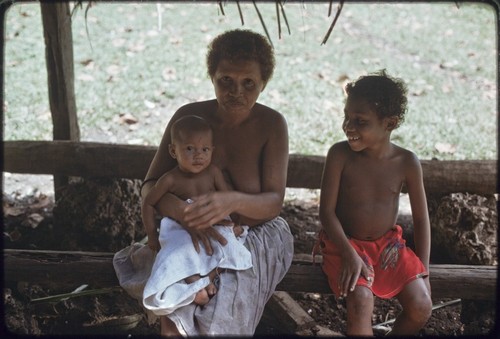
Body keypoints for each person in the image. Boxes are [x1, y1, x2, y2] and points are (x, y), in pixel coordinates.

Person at [115, 29, 294, 336]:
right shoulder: (188, 118)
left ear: (263, 84)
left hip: (254, 232)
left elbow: (274, 203)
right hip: (188, 229)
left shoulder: (271, 125)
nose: (236, 90)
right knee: (173, 314)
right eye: (226, 79)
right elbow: (150, 185)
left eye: (248, 83)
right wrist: (180, 212)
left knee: (223, 314)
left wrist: (231, 202)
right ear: (212, 76)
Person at [314, 70, 432, 336]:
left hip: (388, 247)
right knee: (361, 300)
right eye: (346, 116)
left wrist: (423, 271)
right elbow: (326, 212)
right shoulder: (339, 154)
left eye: (360, 121)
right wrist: (348, 253)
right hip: (343, 243)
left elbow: (421, 220)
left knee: (422, 306)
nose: (348, 126)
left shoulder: (406, 163)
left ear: (390, 123)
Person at [141, 115, 252, 314]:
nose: (198, 155)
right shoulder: (170, 179)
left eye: (204, 150)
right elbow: (148, 202)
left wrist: (229, 220)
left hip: (211, 222)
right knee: (180, 249)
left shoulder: (213, 173)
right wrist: (151, 234)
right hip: (182, 226)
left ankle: (207, 278)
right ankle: (194, 282)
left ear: (212, 151)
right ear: (173, 151)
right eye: (190, 149)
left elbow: (226, 199)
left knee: (225, 244)